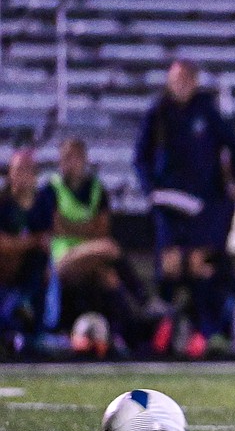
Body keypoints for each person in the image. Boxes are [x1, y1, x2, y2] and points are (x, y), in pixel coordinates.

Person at [134, 59, 235, 358]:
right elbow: (141, 157)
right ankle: (166, 329)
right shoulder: (158, 112)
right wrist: (150, 190)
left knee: (201, 266)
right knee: (170, 267)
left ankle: (203, 332)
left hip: (203, 206)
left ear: (195, 81)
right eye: (176, 78)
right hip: (169, 205)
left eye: (187, 78)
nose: (181, 84)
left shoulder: (207, 112)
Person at [35, 137, 154, 357]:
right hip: (62, 260)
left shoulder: (96, 189)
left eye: (73, 157)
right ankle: (142, 298)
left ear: (83, 159)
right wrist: (86, 229)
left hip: (89, 258)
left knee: (108, 277)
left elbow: (101, 227)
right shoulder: (51, 189)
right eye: (64, 158)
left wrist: (73, 227)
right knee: (110, 248)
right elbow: (56, 227)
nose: (68, 162)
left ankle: (129, 337)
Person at [0, 149, 50, 356]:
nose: (22, 175)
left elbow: (47, 242)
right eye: (18, 169)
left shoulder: (43, 204)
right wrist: (30, 242)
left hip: (28, 277)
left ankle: (32, 333)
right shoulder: (3, 204)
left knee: (41, 262)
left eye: (27, 170)